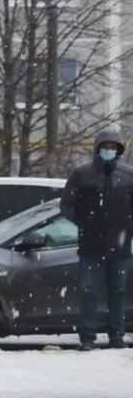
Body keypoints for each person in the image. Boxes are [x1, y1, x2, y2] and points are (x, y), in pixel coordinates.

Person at [59, 130, 133, 351]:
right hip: (91, 244)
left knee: (118, 290)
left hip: (120, 245)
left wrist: (127, 226)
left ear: (119, 150)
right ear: (98, 148)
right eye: (106, 146)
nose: (109, 151)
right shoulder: (82, 174)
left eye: (113, 147)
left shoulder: (128, 174)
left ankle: (116, 335)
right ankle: (87, 335)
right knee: (88, 290)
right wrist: (86, 223)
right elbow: (67, 205)